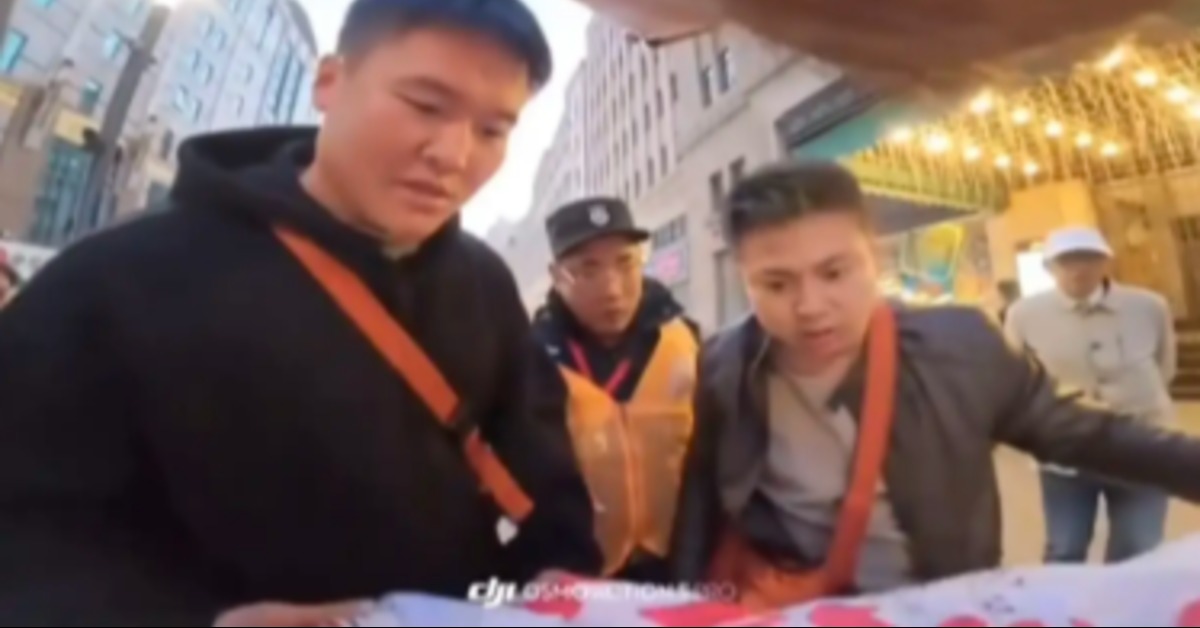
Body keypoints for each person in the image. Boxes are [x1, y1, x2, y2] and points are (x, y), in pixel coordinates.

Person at [0, 0, 600, 624]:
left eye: (493, 131)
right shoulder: (116, 279)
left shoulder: (484, 283)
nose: (454, 153)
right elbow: (28, 532)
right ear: (329, 82)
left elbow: (543, 480)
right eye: (425, 105)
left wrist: (556, 579)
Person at [667, 161, 1200, 610]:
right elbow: (701, 502)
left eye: (834, 273)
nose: (810, 306)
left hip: (939, 606)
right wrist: (686, 601)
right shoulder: (723, 365)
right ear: (744, 279)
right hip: (799, 606)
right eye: (776, 284)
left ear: (873, 258)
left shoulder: (960, 347)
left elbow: (1082, 434)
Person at [529, 196, 700, 584]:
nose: (611, 289)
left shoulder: (685, 341)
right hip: (575, 573)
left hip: (679, 564)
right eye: (587, 270)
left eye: (625, 263)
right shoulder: (530, 361)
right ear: (556, 276)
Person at [1005, 226, 1177, 564]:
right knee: (1065, 546)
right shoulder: (1024, 314)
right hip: (1066, 448)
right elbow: (1017, 377)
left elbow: (1164, 365)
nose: (1078, 269)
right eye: (1066, 261)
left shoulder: (1149, 306)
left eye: (1089, 258)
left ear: (1106, 263)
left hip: (1142, 444)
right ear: (1049, 267)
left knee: (1140, 546)